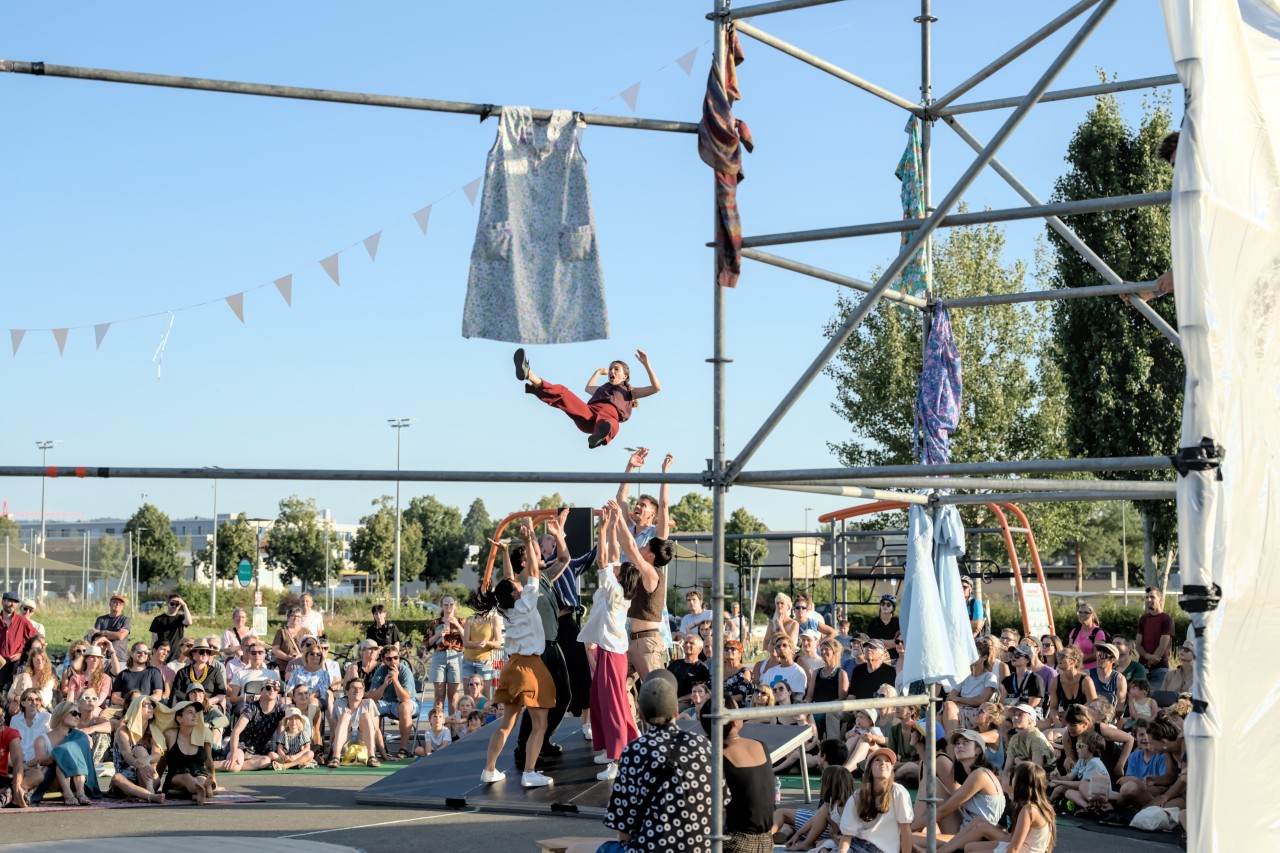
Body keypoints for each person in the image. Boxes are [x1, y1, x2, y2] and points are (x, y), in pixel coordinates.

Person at [563, 670, 713, 853]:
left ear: (640, 714)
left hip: (650, 849)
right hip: (702, 848)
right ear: (676, 711)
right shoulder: (703, 745)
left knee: (574, 850)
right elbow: (720, 802)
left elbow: (623, 826)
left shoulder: (634, 751)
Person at [476, 521, 555, 789]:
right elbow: (533, 569)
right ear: (514, 592)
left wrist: (504, 553)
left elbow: (509, 580)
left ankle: (489, 769)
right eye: (515, 585)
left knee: (506, 724)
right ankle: (529, 772)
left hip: (511, 667)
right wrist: (530, 540)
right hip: (530, 667)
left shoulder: (505, 608)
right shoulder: (527, 600)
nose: (518, 583)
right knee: (540, 723)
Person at [578, 503, 643, 781]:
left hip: (613, 654)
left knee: (614, 705)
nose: (615, 566)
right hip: (608, 650)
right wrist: (616, 523)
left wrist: (603, 527)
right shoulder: (617, 587)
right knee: (598, 700)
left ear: (620, 576)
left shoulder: (614, 592)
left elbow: (604, 559)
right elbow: (613, 555)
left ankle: (618, 759)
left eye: (619, 569)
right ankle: (608, 748)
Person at [512, 512, 575, 772]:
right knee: (538, 702)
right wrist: (528, 539)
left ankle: (543, 740)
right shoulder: (526, 580)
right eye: (537, 552)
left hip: (553, 644)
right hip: (538, 649)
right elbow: (531, 564)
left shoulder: (546, 576)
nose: (541, 554)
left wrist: (559, 535)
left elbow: (565, 559)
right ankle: (525, 747)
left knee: (565, 696)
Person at [515, 347, 661, 449]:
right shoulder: (602, 389)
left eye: (616, 369)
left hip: (607, 419)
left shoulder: (629, 391)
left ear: (625, 376)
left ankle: (600, 436)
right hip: (588, 414)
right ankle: (530, 375)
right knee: (563, 393)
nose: (612, 371)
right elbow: (588, 388)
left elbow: (656, 388)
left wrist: (646, 363)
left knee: (611, 423)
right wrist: (597, 372)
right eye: (610, 369)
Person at [702, 692, 777, 853]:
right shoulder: (759, 745)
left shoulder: (713, 754)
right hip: (767, 839)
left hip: (737, 840)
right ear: (734, 720)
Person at [945, 763, 1054, 853]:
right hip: (1020, 847)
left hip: (1021, 850)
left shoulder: (1028, 810)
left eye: (1012, 777)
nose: (1008, 779)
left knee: (972, 850)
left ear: (1020, 784)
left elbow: (1014, 849)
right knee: (969, 847)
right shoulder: (1037, 806)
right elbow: (1012, 837)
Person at [913, 729, 1004, 838]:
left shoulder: (980, 775)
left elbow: (944, 811)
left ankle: (909, 831)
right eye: (957, 743)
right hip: (965, 831)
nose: (960, 746)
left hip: (975, 839)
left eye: (966, 742)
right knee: (930, 782)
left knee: (912, 838)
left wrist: (907, 830)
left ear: (978, 750)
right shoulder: (973, 775)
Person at [834, 747, 913, 853]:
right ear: (869, 768)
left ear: (891, 768)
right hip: (857, 844)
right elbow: (847, 836)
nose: (883, 763)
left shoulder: (898, 792)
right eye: (878, 760)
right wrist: (842, 851)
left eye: (887, 761)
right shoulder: (858, 796)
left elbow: (905, 830)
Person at [32, 700, 100, 805]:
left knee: (70, 756)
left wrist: (61, 753)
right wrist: (61, 754)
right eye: (74, 713)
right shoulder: (41, 740)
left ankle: (81, 793)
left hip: (77, 780)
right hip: (51, 781)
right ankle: (68, 794)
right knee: (63, 758)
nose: (77, 717)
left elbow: (83, 757)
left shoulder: (80, 735)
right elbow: (42, 761)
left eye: (79, 714)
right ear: (62, 714)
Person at [108, 695, 165, 801]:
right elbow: (127, 754)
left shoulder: (153, 731)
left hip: (148, 779)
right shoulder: (123, 731)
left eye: (151, 705)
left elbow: (157, 755)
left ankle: (149, 791)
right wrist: (140, 765)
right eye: (146, 704)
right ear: (136, 708)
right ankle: (149, 795)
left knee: (140, 750)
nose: (150, 707)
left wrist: (147, 759)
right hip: (126, 779)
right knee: (116, 778)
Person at [159, 701, 217, 802]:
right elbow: (163, 760)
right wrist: (157, 781)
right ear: (179, 718)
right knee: (188, 778)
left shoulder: (204, 734)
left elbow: (209, 760)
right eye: (190, 712)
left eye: (195, 713)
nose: (195, 715)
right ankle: (205, 791)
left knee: (201, 779)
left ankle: (200, 792)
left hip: (199, 772)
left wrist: (214, 781)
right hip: (176, 775)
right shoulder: (170, 734)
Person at [368, 645, 418, 760]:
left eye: (396, 658)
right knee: (370, 706)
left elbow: (405, 698)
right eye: (389, 659)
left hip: (408, 703)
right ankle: (376, 747)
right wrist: (385, 684)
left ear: (399, 658)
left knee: (404, 707)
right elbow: (373, 697)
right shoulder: (380, 671)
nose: (393, 661)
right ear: (383, 660)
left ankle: (403, 749)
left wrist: (395, 680)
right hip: (387, 702)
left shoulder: (405, 671)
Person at [224, 681, 286, 772]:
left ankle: (235, 765)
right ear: (261, 691)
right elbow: (236, 731)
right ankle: (207, 766)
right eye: (268, 688)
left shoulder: (280, 708)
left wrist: (280, 751)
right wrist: (234, 752)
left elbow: (281, 731)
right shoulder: (252, 707)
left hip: (258, 751)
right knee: (234, 766)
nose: (272, 690)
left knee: (266, 761)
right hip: (240, 746)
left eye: (275, 688)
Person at [941, 639, 999, 733]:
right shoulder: (965, 676)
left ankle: (951, 739)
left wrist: (958, 699)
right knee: (938, 718)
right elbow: (950, 697)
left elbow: (982, 700)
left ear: (984, 657)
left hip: (977, 713)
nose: (970, 657)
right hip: (960, 709)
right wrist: (963, 701)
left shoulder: (989, 677)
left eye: (974, 654)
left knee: (948, 707)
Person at [1049, 729, 1110, 811]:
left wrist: (1059, 782)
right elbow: (1069, 777)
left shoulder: (1094, 763)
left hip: (1101, 795)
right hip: (1089, 793)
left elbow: (1082, 784)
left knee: (1070, 787)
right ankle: (1089, 808)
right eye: (1077, 745)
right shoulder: (1082, 760)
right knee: (1067, 792)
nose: (1077, 748)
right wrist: (1058, 778)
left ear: (1092, 748)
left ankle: (1095, 808)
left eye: (1080, 746)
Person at [328, 676, 380, 768]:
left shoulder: (369, 703)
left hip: (364, 746)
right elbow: (334, 730)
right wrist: (329, 754)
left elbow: (376, 730)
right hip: (344, 746)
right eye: (353, 688)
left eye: (360, 688)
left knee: (365, 715)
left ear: (363, 692)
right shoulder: (339, 703)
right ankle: (336, 757)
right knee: (345, 716)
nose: (357, 691)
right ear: (347, 691)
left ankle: (372, 757)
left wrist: (384, 755)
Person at [427, 595, 466, 712]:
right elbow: (428, 643)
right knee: (439, 696)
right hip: (439, 657)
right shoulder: (435, 623)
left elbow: (467, 640)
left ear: (455, 604)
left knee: (454, 697)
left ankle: (452, 723)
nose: (449, 606)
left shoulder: (461, 622)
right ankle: (438, 722)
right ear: (441, 606)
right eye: (446, 604)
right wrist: (439, 634)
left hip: (456, 657)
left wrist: (457, 625)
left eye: (451, 604)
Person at [805, 637, 849, 740]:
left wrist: (824, 707)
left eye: (826, 649)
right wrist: (805, 707)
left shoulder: (841, 673)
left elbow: (842, 698)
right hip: (815, 708)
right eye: (822, 650)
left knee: (818, 716)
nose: (823, 652)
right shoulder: (816, 673)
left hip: (831, 709)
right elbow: (809, 696)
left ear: (834, 652)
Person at [1135, 587, 1175, 691]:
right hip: (1142, 668)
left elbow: (1163, 646)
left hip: (1160, 669)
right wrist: (1147, 657)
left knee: (1156, 698)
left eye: (1152, 597)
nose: (1149, 600)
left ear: (1161, 599)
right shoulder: (1143, 619)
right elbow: (1138, 645)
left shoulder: (1167, 620)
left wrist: (1150, 662)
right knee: (1139, 697)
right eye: (1147, 597)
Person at [0, 592, 40, 695]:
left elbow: (38, 640)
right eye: (10, 601)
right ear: (3, 601)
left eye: (15, 602)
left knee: (15, 693)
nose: (12, 604)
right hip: (0, 663)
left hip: (16, 665)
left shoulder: (22, 621)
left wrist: (23, 653)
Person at [1045, 645, 1096, 726]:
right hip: (1064, 720)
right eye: (1058, 655)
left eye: (1063, 656)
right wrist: (1056, 720)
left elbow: (1093, 708)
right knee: (1041, 725)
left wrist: (1073, 718)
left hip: (1083, 721)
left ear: (1073, 661)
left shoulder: (1086, 681)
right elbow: (1053, 708)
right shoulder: (1055, 681)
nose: (1059, 658)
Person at [174, 641, 230, 710]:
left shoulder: (215, 672)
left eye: (208, 652)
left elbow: (222, 694)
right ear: (193, 654)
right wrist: (192, 703)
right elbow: (177, 693)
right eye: (202, 652)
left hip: (209, 707)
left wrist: (208, 702)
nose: (205, 654)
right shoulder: (182, 672)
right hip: (187, 707)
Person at [111, 641, 165, 707]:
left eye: (145, 653)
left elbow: (158, 695)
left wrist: (142, 703)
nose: (142, 654)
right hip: (127, 708)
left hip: (147, 707)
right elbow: (115, 698)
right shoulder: (122, 674)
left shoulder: (154, 672)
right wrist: (128, 703)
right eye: (139, 652)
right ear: (131, 653)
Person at [228, 641, 282, 707]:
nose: (257, 655)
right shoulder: (240, 674)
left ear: (265, 655)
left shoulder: (273, 674)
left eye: (260, 652)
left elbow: (277, 694)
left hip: (268, 704)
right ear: (249, 655)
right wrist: (246, 699)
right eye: (253, 653)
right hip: (246, 704)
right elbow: (233, 698)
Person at [1000, 643, 1046, 714]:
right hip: (1010, 715)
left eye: (1017, 655)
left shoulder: (1035, 679)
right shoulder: (1007, 681)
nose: (1013, 657)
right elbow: (1002, 704)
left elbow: (1031, 707)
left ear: (1027, 659)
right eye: (1011, 655)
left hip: (1030, 715)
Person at [0, 703, 30, 808]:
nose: (2, 720)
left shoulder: (10, 733)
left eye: (2, 715)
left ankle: (12, 793)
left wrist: (16, 786)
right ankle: (9, 796)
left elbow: (17, 760)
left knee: (37, 774)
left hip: (2, 779)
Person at [667, 634, 711, 704]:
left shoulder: (702, 668)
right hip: (668, 699)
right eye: (686, 642)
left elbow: (700, 691)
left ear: (700, 649)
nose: (687, 645)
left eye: (691, 643)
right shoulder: (675, 663)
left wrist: (679, 700)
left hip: (685, 703)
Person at [267, 706, 314, 771]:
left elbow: (307, 748)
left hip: (298, 757)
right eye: (291, 719)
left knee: (310, 753)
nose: (293, 721)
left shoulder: (303, 733)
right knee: (271, 754)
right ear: (287, 722)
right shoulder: (284, 734)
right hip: (286, 758)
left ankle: (285, 766)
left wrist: (295, 756)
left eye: (296, 719)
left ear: (300, 721)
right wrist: (284, 756)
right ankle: (291, 764)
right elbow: (279, 748)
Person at [94, 593, 133, 666]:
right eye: (115, 602)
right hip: (102, 658)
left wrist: (103, 632)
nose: (117, 604)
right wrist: (113, 635)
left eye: (120, 603)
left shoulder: (125, 620)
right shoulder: (100, 619)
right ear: (110, 604)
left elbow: (120, 636)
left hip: (120, 659)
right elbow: (96, 637)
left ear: (122, 607)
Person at [271, 608, 312, 677]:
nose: (296, 618)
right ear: (288, 618)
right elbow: (275, 649)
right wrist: (287, 657)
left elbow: (312, 648)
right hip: (284, 667)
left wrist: (300, 656)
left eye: (298, 616)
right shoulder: (281, 632)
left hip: (302, 667)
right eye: (293, 615)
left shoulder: (306, 632)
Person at [1088, 642, 1128, 711]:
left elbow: (1119, 708)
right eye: (1098, 654)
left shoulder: (1120, 679)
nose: (1099, 658)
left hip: (1110, 716)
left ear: (1113, 660)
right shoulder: (1087, 674)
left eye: (1103, 655)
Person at [1067, 603, 1105, 671]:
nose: (1082, 615)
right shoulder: (1074, 631)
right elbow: (1069, 650)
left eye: (1086, 612)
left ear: (1092, 615)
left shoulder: (1098, 633)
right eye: (1080, 612)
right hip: (1076, 671)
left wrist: (1079, 659)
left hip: (1093, 671)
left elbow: (1097, 654)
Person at [723, 639, 754, 704]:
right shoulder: (718, 669)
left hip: (735, 706)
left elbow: (741, 696)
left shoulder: (744, 672)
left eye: (733, 649)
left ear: (740, 654)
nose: (729, 650)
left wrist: (722, 701)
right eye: (726, 649)